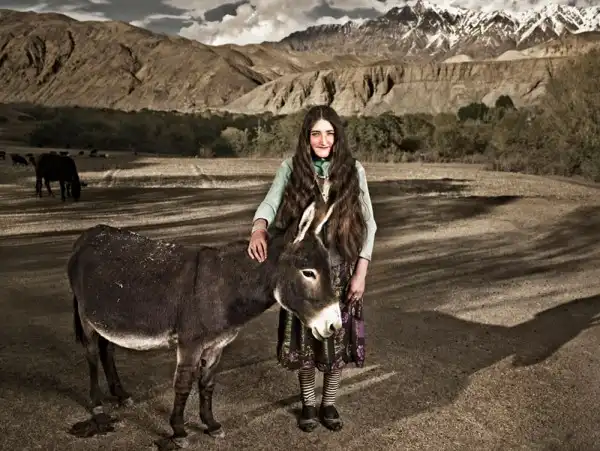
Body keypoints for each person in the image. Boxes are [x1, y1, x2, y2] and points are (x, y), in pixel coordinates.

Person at [247, 105, 377, 433]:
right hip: (304, 273)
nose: (323, 140)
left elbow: (370, 224)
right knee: (304, 344)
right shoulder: (290, 167)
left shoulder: (353, 169)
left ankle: (328, 403)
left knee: (337, 342)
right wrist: (259, 228)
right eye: (316, 133)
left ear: (338, 137)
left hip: (340, 271)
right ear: (306, 137)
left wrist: (360, 273)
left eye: (329, 133)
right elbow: (270, 203)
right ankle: (307, 403)